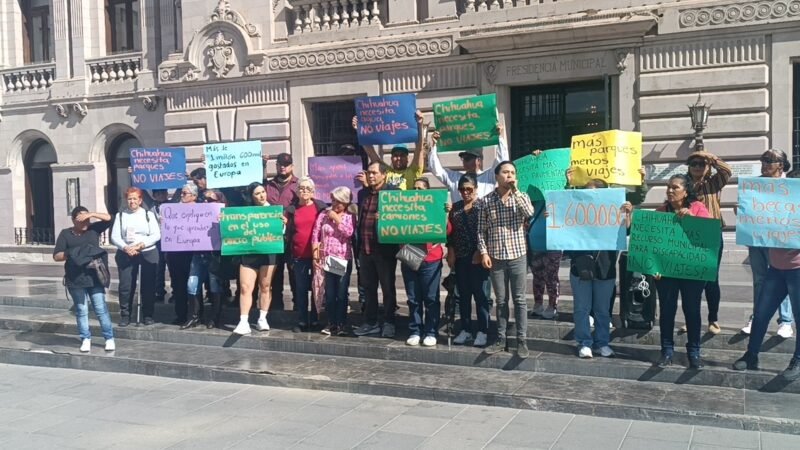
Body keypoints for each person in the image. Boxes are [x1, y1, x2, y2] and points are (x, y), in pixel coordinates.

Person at [733, 169, 800, 380]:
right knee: (761, 314)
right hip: (776, 269)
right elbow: (759, 226)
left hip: (797, 270)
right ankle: (751, 355)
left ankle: (797, 360)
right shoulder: (776, 205)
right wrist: (745, 215)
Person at [562, 170, 632, 359]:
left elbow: (625, 232)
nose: (589, 197)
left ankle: (602, 343)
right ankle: (584, 343)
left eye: (594, 193)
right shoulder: (577, 212)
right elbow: (563, 223)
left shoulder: (613, 211)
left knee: (602, 310)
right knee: (581, 308)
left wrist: (627, 215)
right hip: (580, 267)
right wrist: (553, 216)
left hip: (605, 267)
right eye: (586, 193)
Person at [653, 174, 713, 369]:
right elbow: (653, 243)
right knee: (667, 310)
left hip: (692, 271)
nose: (670, 191)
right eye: (668, 187)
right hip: (666, 272)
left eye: (675, 187)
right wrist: (654, 267)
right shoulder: (661, 212)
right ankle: (666, 351)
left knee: (692, 310)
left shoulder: (699, 208)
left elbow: (709, 235)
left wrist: (692, 219)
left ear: (686, 192)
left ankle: (694, 352)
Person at [478, 161, 535, 358]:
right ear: (497, 176)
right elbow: (481, 231)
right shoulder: (486, 201)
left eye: (512, 172)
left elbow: (529, 213)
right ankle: (501, 339)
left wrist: (516, 191)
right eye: (505, 172)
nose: (509, 175)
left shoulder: (522, 196)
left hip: (518, 255)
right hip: (496, 257)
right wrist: (484, 253)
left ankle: (522, 340)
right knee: (501, 300)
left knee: (520, 300)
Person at [741, 149, 794, 338]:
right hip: (758, 239)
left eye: (769, 160)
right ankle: (756, 318)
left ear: (781, 164)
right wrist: (742, 212)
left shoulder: (791, 185)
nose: (764, 164)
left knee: (783, 280)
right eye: (763, 160)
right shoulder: (753, 186)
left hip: (781, 241)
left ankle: (785, 321)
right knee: (759, 279)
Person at [53, 207, 115, 352]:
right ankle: (85, 338)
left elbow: (110, 219)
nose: (85, 222)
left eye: (87, 219)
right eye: (81, 219)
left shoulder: (93, 229)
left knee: (100, 308)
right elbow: (56, 256)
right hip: (76, 278)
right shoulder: (65, 234)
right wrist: (73, 253)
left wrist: (92, 214)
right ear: (74, 220)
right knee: (81, 310)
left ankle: (109, 338)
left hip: (95, 276)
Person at [686, 150, 731, 334]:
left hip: (712, 233)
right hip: (689, 235)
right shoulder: (683, 184)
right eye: (694, 163)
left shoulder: (713, 183)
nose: (697, 167)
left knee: (711, 278)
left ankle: (713, 319)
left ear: (707, 167)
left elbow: (727, 171)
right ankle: (691, 319)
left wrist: (710, 157)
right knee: (691, 279)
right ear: (688, 167)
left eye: (701, 164)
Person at [353, 161, 399, 338]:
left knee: (388, 289)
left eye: (374, 173)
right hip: (365, 249)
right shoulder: (363, 193)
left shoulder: (393, 193)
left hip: (384, 251)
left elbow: (402, 218)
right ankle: (370, 322)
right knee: (368, 288)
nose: (371, 176)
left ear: (384, 175)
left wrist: (387, 217)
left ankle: (389, 322)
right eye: (369, 173)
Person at [232, 182, 284, 335]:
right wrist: (225, 220)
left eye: (263, 192)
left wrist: (283, 224)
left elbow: (281, 233)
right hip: (249, 253)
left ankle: (262, 318)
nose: (262, 195)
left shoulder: (274, 211)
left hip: (269, 253)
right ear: (251, 196)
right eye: (257, 193)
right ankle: (243, 321)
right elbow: (234, 228)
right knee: (245, 287)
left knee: (265, 286)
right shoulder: (244, 212)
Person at [402, 177, 448, 347]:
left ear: (427, 192)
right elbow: (393, 229)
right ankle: (415, 330)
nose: (416, 192)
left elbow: (447, 230)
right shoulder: (404, 209)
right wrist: (383, 219)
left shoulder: (436, 207)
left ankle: (430, 331)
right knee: (413, 298)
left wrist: (445, 215)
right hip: (409, 255)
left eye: (420, 189)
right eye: (414, 188)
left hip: (430, 258)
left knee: (430, 297)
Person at [448, 174, 490, 347]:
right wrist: (450, 251)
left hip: (478, 257)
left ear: (476, 189)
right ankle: (465, 329)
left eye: (469, 189)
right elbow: (450, 232)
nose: (465, 192)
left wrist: (481, 251)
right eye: (462, 189)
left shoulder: (483, 206)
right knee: (463, 295)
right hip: (460, 257)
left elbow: (489, 231)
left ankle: (483, 330)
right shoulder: (455, 208)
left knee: (481, 295)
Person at [110, 187, 162, 327]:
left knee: (148, 285)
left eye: (135, 199)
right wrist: (126, 247)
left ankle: (148, 315)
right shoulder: (121, 216)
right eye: (129, 199)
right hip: (127, 252)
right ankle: (125, 315)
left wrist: (141, 245)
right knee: (126, 285)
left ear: (140, 200)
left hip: (147, 251)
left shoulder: (148, 215)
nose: (132, 201)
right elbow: (115, 236)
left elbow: (156, 234)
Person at [285, 176, 328, 332]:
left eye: (308, 189)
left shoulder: (321, 207)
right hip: (299, 256)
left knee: (317, 288)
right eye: (301, 188)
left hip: (317, 256)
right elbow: (286, 231)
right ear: (297, 191)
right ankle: (302, 320)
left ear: (313, 191)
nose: (304, 191)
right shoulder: (291, 210)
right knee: (301, 289)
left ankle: (315, 320)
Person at [312, 186, 357, 336]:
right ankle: (331, 323)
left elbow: (348, 233)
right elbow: (316, 233)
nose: (335, 204)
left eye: (338, 202)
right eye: (333, 201)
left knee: (341, 293)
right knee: (330, 293)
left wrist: (337, 219)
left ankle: (341, 324)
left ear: (345, 202)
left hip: (342, 258)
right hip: (327, 257)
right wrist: (315, 254)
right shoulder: (324, 214)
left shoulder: (349, 216)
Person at [182, 189, 228, 329]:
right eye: (204, 199)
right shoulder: (196, 212)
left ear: (219, 201)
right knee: (192, 284)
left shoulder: (226, 214)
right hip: (198, 254)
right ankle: (194, 316)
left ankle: (214, 317)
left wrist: (225, 222)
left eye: (211, 200)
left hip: (215, 255)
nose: (207, 202)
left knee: (215, 286)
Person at [428, 124, 507, 201]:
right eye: (463, 158)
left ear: (478, 161)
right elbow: (435, 169)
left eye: (468, 158)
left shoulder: (489, 176)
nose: (464, 161)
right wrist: (434, 144)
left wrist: (499, 137)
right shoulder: (454, 178)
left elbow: (502, 163)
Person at [352, 112, 426, 190]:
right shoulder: (387, 172)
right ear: (391, 158)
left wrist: (419, 124)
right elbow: (371, 152)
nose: (399, 158)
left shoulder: (413, 171)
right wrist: (359, 130)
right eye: (395, 155)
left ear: (408, 159)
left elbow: (419, 149)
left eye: (402, 155)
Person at [265, 153, 299, 312]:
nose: (283, 167)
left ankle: (298, 306)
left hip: (292, 236)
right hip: (272, 237)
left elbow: (303, 207)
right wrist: (262, 165)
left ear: (292, 166)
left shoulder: (298, 185)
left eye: (286, 164)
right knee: (275, 273)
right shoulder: (268, 185)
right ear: (276, 166)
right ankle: (276, 305)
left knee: (294, 273)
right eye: (280, 164)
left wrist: (289, 217)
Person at [166, 183, 197, 325]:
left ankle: (194, 315)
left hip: (193, 254)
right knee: (178, 285)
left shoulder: (201, 210)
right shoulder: (174, 209)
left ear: (194, 196)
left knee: (192, 285)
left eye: (185, 193)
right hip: (176, 253)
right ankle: (181, 315)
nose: (182, 195)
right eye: (182, 193)